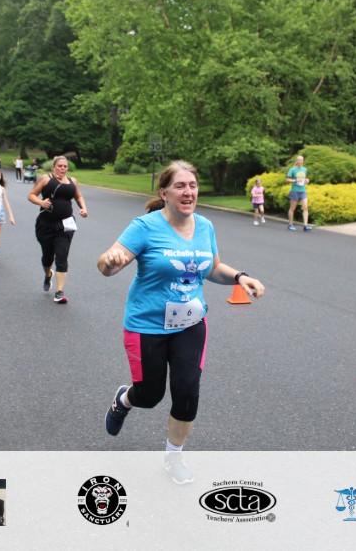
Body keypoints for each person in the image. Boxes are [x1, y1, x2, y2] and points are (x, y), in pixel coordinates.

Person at [97, 160, 265, 484]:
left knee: (187, 391)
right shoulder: (144, 227)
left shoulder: (205, 226)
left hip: (190, 323)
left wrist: (240, 277)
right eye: (180, 186)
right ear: (164, 193)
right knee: (149, 395)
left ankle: (173, 457)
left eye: (193, 185)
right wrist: (110, 261)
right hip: (146, 326)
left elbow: (212, 268)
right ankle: (124, 399)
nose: (188, 192)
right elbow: (107, 265)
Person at [28, 155, 88, 303]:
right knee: (47, 257)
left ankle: (59, 292)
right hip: (45, 225)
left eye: (65, 166)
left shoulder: (73, 181)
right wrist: (41, 202)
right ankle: (48, 275)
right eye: (60, 166)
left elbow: (79, 197)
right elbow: (31, 195)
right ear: (54, 167)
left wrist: (83, 208)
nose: (62, 168)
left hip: (66, 225)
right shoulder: (46, 179)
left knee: (62, 256)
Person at [285, 155, 311, 231]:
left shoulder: (304, 169)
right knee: (292, 208)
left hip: (303, 191)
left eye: (301, 160)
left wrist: (306, 180)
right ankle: (290, 224)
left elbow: (303, 179)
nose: (300, 161)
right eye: (298, 160)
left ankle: (305, 225)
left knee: (305, 207)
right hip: (294, 191)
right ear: (296, 161)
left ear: (303, 161)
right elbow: (287, 180)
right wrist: (295, 180)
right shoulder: (292, 169)